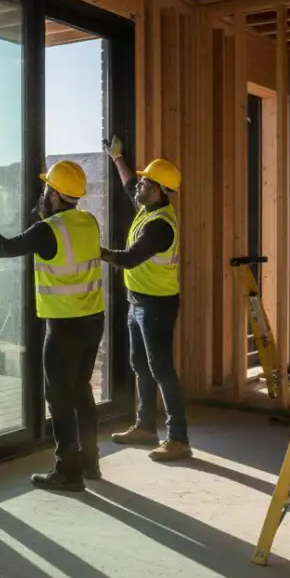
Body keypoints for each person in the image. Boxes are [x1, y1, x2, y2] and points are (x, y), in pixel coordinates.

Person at [0, 159, 104, 492]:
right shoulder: (88, 222)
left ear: (55, 195)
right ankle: (90, 462)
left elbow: (3, 248)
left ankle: (67, 471)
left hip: (64, 327)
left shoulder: (48, 230)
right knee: (82, 390)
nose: (43, 193)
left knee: (58, 398)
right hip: (93, 321)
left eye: (47, 188)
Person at [101, 135, 191, 462]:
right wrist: (117, 158)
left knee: (161, 369)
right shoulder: (148, 206)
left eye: (144, 182)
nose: (137, 184)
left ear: (156, 190)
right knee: (140, 363)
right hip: (139, 301)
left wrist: (94, 252)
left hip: (157, 306)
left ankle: (178, 438)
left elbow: (127, 259)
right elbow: (128, 186)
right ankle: (145, 427)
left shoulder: (160, 226)